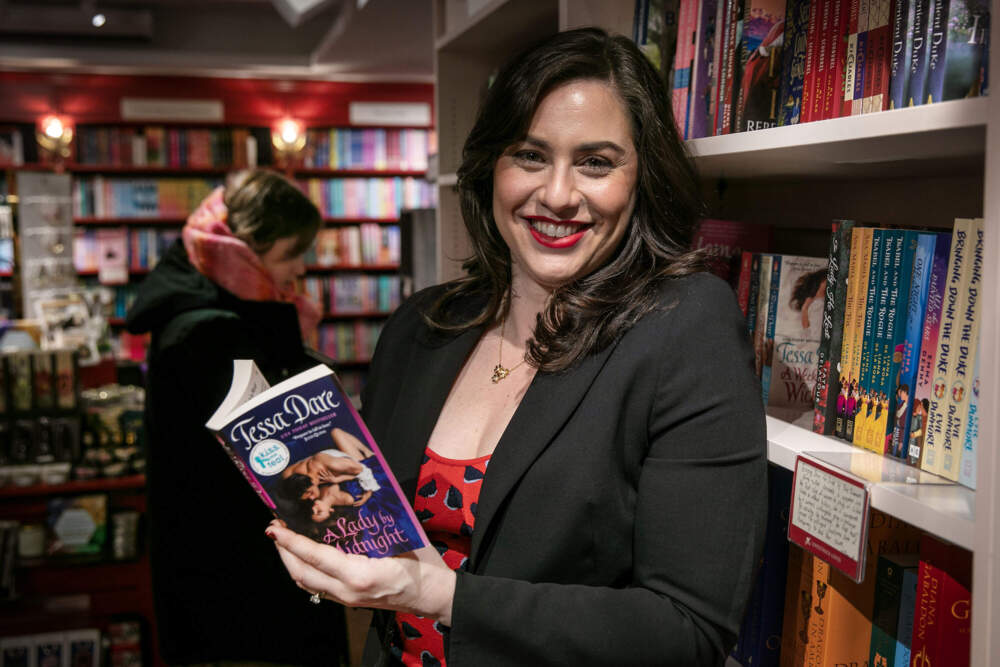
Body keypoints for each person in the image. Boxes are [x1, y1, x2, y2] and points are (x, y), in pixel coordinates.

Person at [266, 27, 767, 666]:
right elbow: (373, 524)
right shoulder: (422, 325)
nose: (557, 194)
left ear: (643, 177)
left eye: (596, 162)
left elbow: (687, 631)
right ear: (491, 168)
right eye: (530, 155)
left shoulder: (686, 325)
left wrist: (434, 594)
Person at [126, 170, 348, 666]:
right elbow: (263, 456)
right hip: (239, 573)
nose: (300, 269)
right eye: (290, 254)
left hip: (228, 563)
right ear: (247, 249)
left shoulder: (208, 308)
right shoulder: (210, 331)